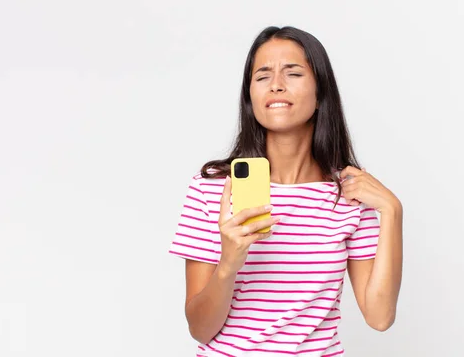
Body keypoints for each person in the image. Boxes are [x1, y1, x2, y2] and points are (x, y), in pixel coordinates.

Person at [169, 25, 403, 356]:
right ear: (250, 96)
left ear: (321, 92)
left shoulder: (350, 193)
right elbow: (200, 329)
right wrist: (228, 264)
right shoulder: (213, 189)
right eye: (262, 76)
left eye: (292, 73)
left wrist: (393, 211)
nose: (276, 84)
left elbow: (380, 317)